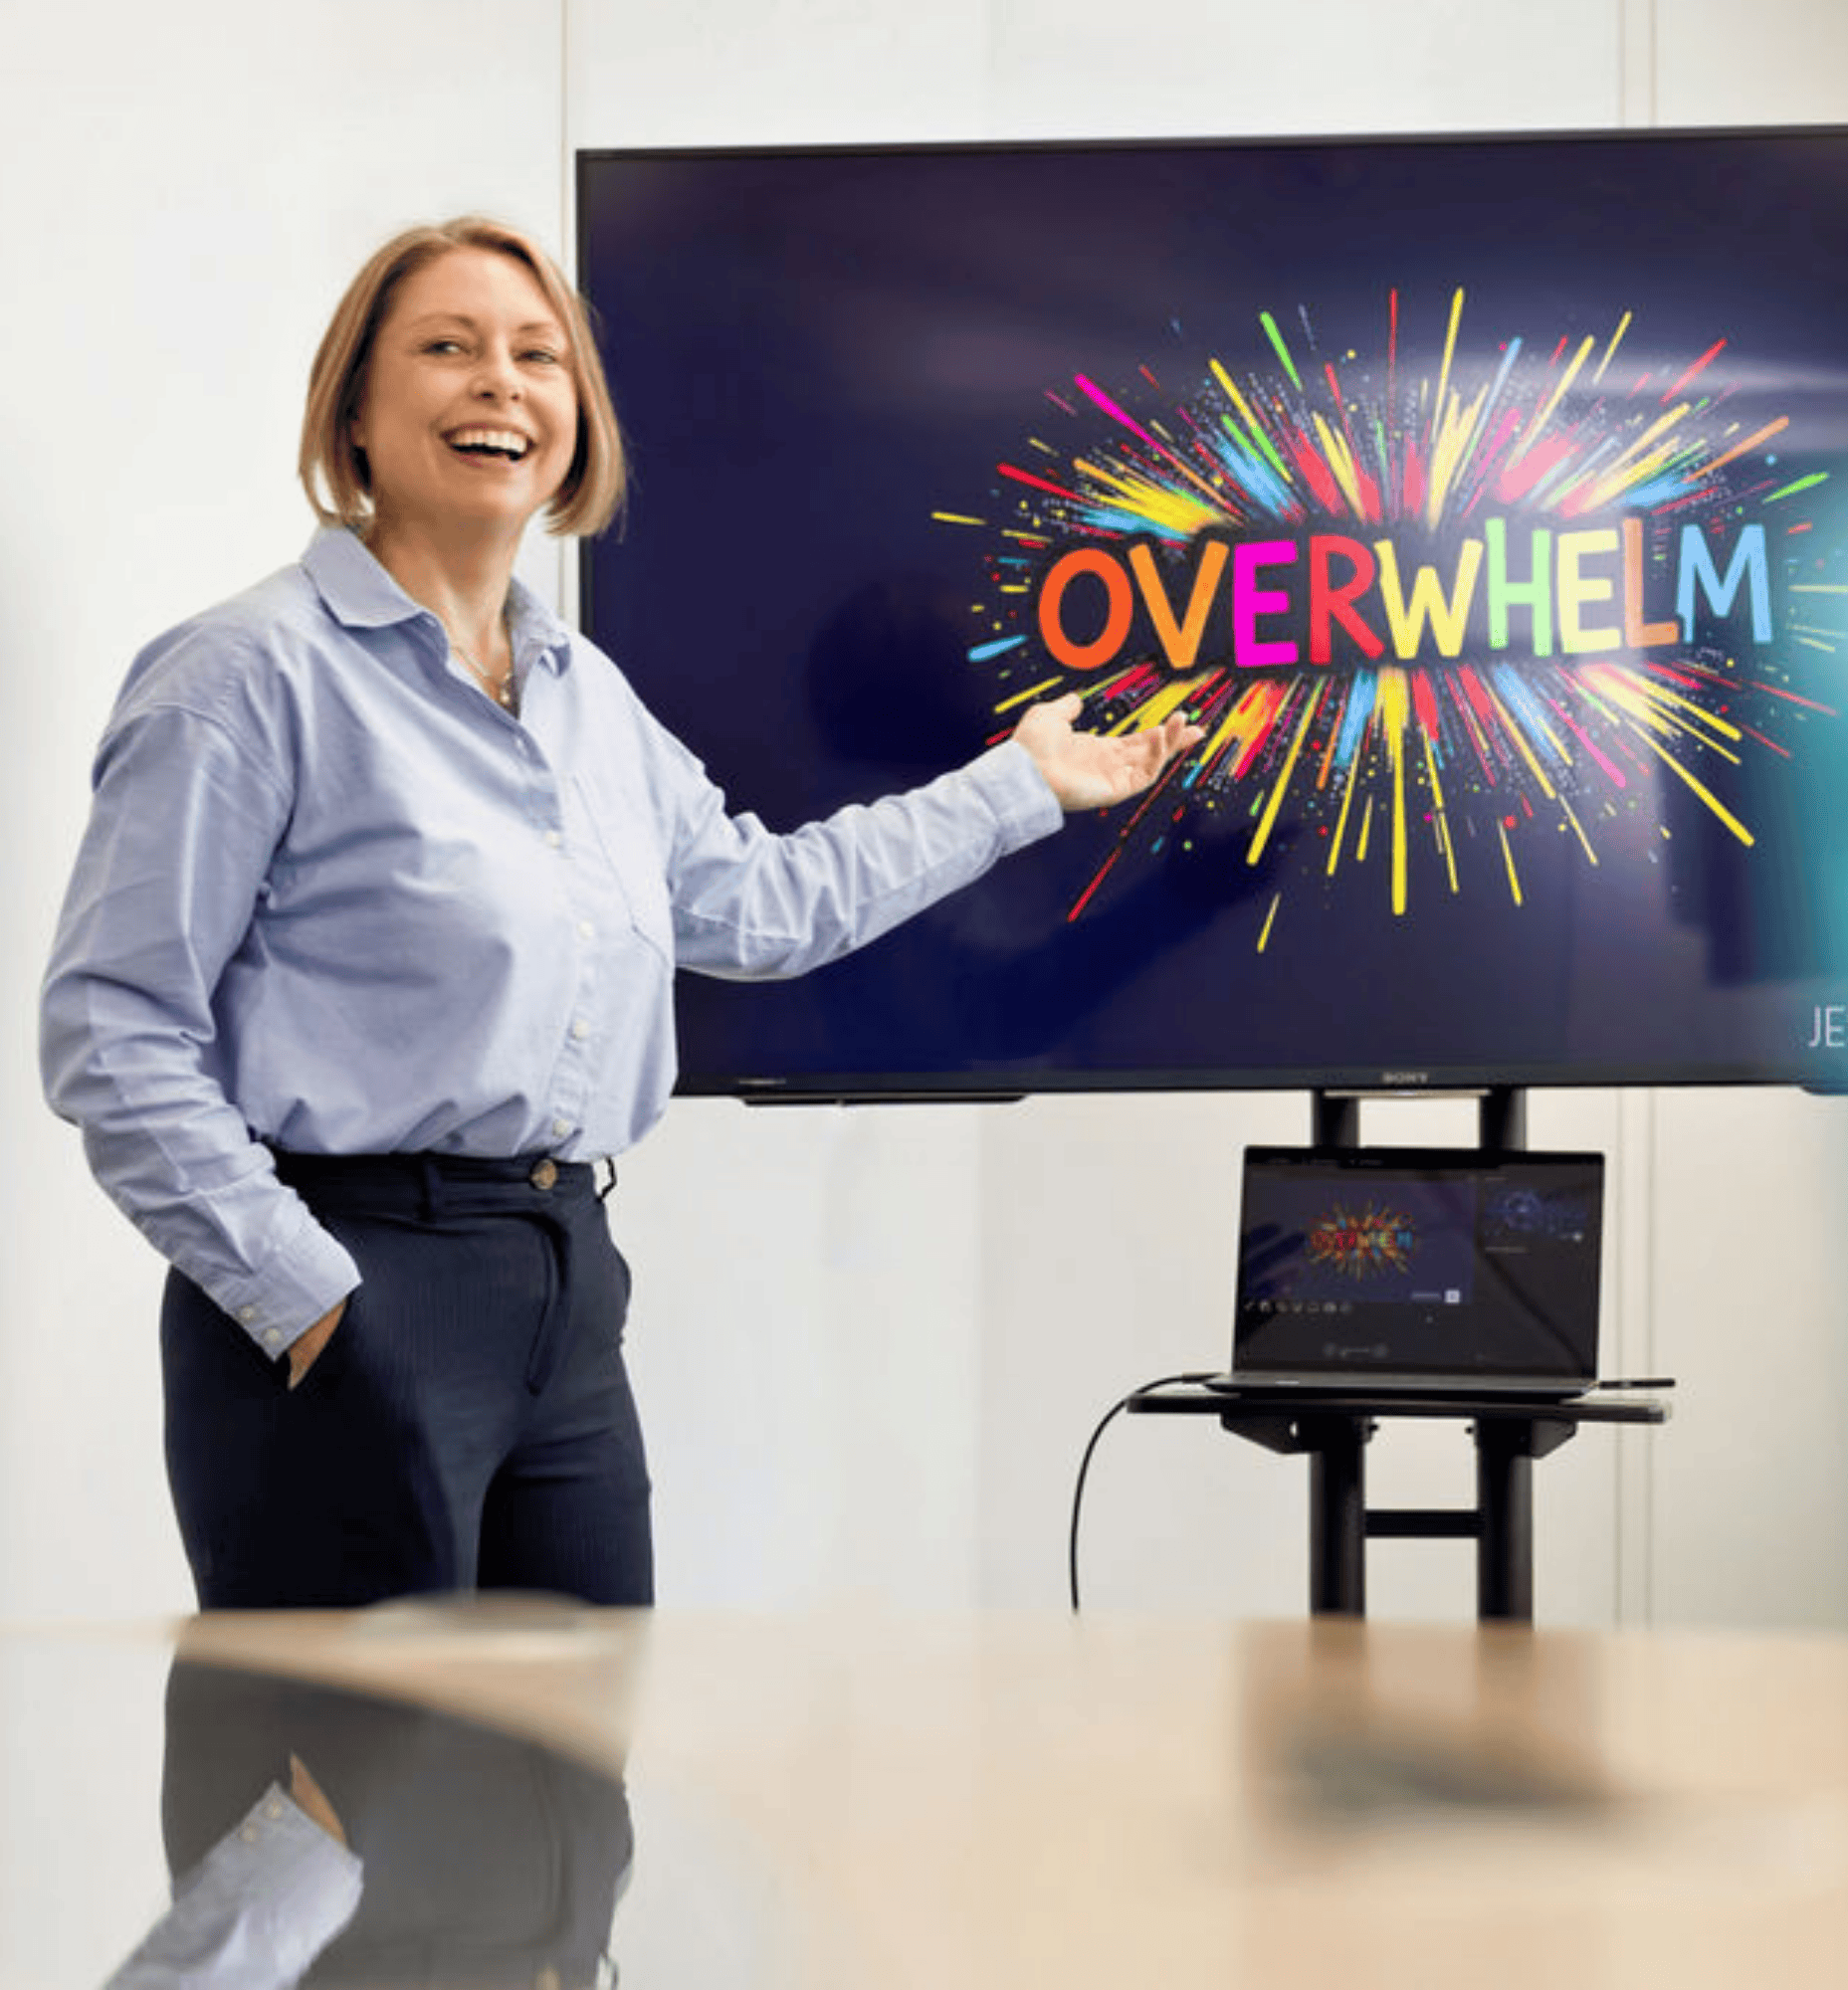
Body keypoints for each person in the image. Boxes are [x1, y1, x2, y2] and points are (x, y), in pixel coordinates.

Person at [40, 215, 1202, 1611]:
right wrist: (309, 1301)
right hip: (356, 1273)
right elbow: (114, 1031)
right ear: (352, 408)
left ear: (577, 417)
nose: (501, 381)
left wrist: (1020, 786)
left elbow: (761, 903)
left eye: (539, 356)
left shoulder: (584, 693)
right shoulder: (245, 675)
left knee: (580, 1752)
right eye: (448, 347)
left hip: (565, 1293)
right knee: (339, 1750)